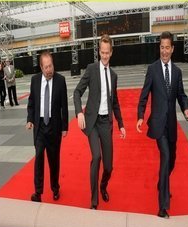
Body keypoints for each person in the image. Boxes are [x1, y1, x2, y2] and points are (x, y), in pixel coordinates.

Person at [136, 31, 188, 219]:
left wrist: (186, 108)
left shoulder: (177, 72)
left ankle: (162, 182)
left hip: (172, 126)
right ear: (159, 48)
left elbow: (181, 95)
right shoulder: (152, 69)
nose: (164, 51)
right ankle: (163, 206)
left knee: (172, 160)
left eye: (167, 47)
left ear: (172, 49)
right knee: (166, 157)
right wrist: (140, 116)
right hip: (158, 124)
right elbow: (144, 95)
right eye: (162, 47)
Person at [73, 34, 126, 210]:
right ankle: (94, 200)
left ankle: (103, 186)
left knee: (109, 167)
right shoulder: (91, 69)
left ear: (111, 52)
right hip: (92, 122)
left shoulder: (114, 75)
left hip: (106, 124)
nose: (104, 56)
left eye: (107, 52)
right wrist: (79, 112)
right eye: (101, 52)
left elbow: (115, 102)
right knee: (96, 157)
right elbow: (76, 92)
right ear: (99, 52)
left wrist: (121, 124)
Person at [26, 51, 69, 202]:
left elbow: (64, 105)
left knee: (53, 160)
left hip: (54, 127)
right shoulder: (35, 80)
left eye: (50, 66)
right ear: (41, 67)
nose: (49, 69)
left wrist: (65, 127)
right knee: (38, 160)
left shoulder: (60, 80)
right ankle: (38, 192)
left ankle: (55, 188)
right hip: (39, 127)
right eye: (46, 67)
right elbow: (31, 103)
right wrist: (30, 119)